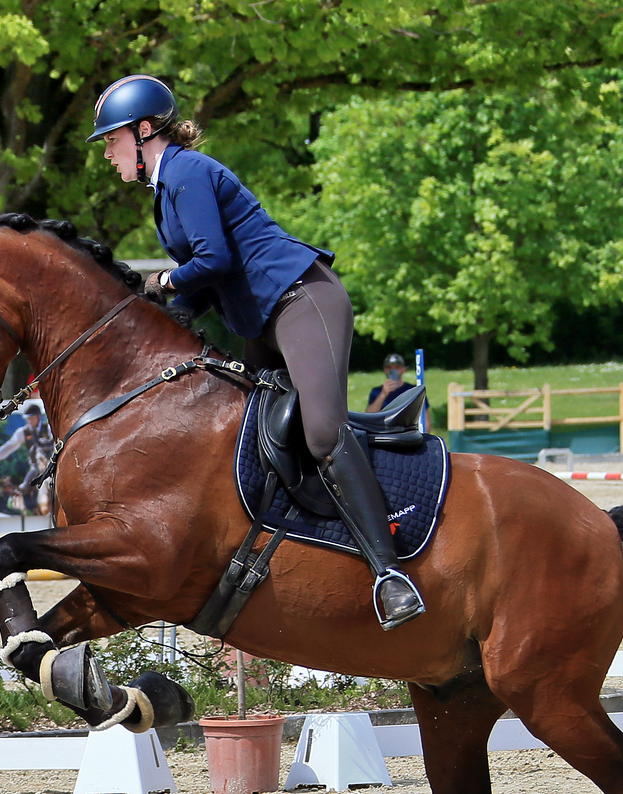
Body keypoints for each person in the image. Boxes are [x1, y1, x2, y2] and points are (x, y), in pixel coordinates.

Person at [87, 74, 423, 629]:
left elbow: (213, 262)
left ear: (145, 133)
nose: (108, 153)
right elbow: (203, 289)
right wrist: (145, 317)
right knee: (242, 433)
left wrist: (161, 282)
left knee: (320, 433)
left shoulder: (187, 173)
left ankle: (391, 574)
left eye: (112, 140)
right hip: (261, 319)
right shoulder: (167, 192)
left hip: (301, 300)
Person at [0, 401, 56, 516]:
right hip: (36, 468)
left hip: (53, 466)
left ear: (38, 416)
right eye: (27, 418)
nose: (29, 420)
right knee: (25, 485)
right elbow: (9, 447)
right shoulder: (23, 432)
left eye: (31, 417)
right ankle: (29, 510)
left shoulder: (49, 429)